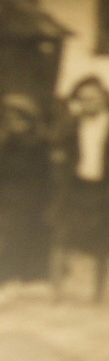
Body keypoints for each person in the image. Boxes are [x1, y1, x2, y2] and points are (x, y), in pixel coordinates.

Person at [52, 74, 109, 303]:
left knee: (104, 240)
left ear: (104, 98)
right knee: (63, 236)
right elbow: (60, 152)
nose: (88, 102)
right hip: (78, 187)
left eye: (93, 97)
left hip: (107, 187)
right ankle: (57, 293)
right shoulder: (71, 126)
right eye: (83, 98)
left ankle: (99, 293)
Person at [0, 93, 52, 292]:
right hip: (8, 197)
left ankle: (20, 275)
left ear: (29, 121)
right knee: (9, 235)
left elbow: (45, 174)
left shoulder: (40, 144)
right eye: (9, 118)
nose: (13, 123)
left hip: (32, 198)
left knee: (24, 236)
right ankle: (9, 275)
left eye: (18, 119)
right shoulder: (7, 142)